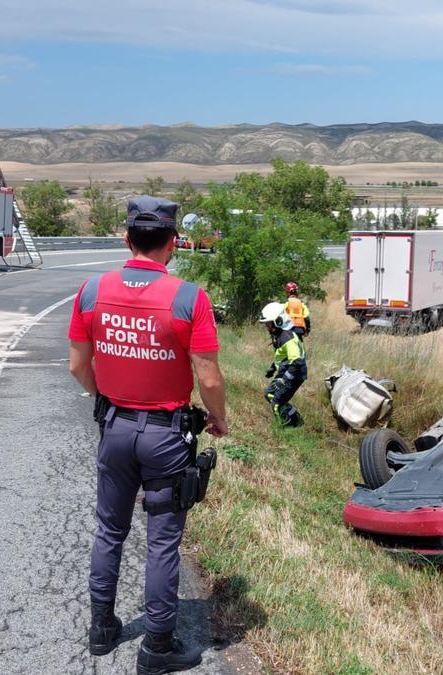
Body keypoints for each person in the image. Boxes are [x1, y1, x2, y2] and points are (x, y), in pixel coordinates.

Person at [68, 195, 227, 674]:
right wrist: (219, 419)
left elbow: (78, 365)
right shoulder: (188, 298)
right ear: (173, 242)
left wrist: (106, 399)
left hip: (114, 428)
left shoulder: (92, 291)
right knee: (161, 541)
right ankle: (157, 646)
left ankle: (101, 629)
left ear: (126, 238)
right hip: (164, 437)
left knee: (109, 529)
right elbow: (210, 377)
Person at [260, 301, 307, 427]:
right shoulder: (279, 335)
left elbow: (297, 362)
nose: (267, 327)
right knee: (269, 394)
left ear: (278, 321)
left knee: (276, 402)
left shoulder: (288, 337)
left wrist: (285, 379)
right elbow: (282, 356)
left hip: (294, 374)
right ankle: (295, 418)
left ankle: (285, 428)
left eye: (268, 324)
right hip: (286, 372)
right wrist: (272, 368)